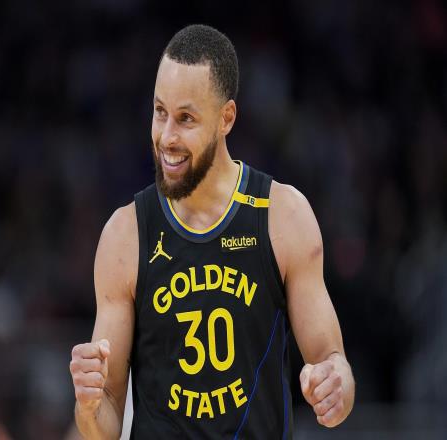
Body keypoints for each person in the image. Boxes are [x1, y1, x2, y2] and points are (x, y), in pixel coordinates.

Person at [69, 24, 355, 439]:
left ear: (226, 118)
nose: (166, 136)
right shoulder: (124, 235)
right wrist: (89, 404)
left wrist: (336, 384)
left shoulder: (282, 216)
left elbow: (332, 360)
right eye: (160, 112)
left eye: (186, 118)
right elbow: (105, 421)